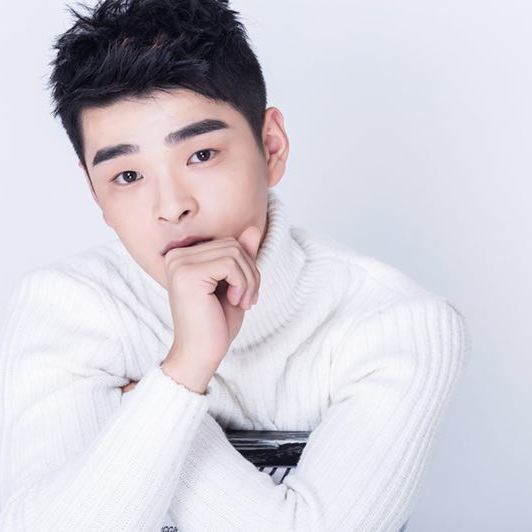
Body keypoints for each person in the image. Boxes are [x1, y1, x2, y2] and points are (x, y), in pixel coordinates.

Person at [0, 0, 471, 530]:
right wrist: (184, 369)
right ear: (95, 193)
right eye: (127, 176)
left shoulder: (397, 325)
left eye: (201, 155)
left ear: (271, 147)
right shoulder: (68, 307)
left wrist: (146, 405)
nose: (171, 206)